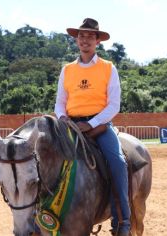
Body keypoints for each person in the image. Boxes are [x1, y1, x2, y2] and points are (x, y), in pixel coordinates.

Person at [54, 18, 130, 236]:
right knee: (42, 157)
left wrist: (91, 123)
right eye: (81, 35)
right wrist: (62, 118)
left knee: (118, 161)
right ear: (76, 40)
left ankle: (122, 221)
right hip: (70, 124)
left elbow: (114, 105)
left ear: (98, 40)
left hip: (99, 125)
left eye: (89, 36)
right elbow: (60, 102)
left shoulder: (108, 68)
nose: (84, 39)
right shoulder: (67, 70)